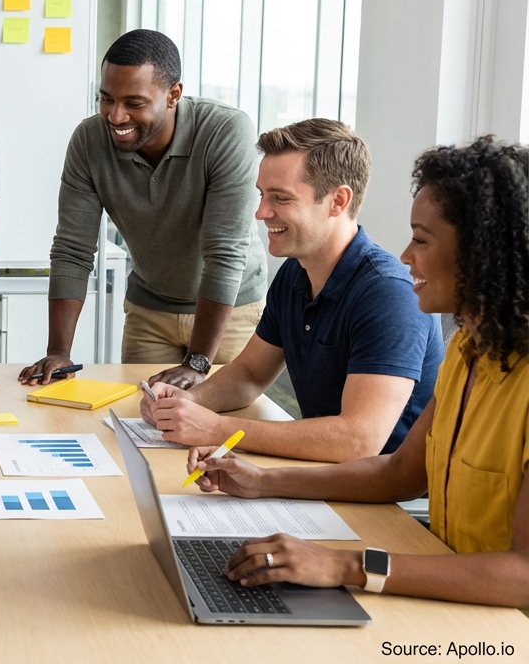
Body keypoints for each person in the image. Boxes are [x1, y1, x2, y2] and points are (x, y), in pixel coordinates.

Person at [188, 137, 529, 608]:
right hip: (441, 584)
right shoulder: (470, 349)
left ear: (483, 253)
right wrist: (262, 481)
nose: (407, 255)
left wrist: (345, 565)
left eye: (422, 240)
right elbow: (401, 471)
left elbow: (524, 575)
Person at [141, 119, 443, 461]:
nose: (261, 212)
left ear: (338, 201)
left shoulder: (387, 294)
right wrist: (188, 403)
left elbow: (358, 441)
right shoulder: (294, 273)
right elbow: (249, 375)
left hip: (386, 501)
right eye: (262, 195)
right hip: (324, 474)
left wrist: (215, 429)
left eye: (280, 198)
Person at [19, 29, 268, 391]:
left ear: (173, 95)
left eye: (133, 103)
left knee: (227, 434)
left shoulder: (225, 131)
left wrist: (198, 362)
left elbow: (224, 253)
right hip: (150, 311)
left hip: (230, 313)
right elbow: (72, 250)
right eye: (106, 99)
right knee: (140, 425)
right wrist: (59, 352)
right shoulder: (89, 141)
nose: (116, 116)